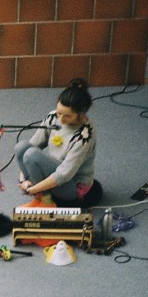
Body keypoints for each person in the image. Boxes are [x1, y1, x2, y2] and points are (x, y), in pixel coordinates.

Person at [16, 78, 103, 209]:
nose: (61, 119)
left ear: (80, 113)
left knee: (31, 155)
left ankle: (46, 201)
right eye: (59, 113)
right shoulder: (52, 117)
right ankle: (41, 198)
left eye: (67, 116)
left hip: (72, 184)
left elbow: (64, 174)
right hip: (54, 172)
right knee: (21, 147)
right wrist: (24, 180)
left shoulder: (85, 135)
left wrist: (32, 189)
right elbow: (33, 144)